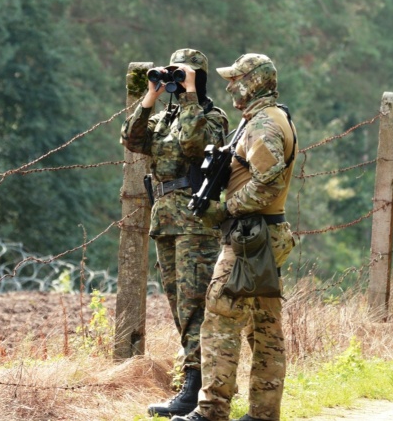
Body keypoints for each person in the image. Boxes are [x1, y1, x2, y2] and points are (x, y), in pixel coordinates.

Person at [172, 53, 298, 421]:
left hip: (250, 236)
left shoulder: (264, 125)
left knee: (219, 319)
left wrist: (225, 209)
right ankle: (263, 414)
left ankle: (211, 411)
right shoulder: (265, 119)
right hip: (263, 234)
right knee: (264, 328)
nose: (230, 87)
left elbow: (266, 184)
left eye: (236, 79)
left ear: (253, 82)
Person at [120, 48, 229, 418]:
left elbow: (193, 145)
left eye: (185, 74)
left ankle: (196, 388)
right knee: (178, 306)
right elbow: (133, 140)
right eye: (176, 75)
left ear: (199, 77)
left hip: (196, 223)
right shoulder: (165, 117)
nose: (177, 82)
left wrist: (190, 94)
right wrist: (150, 95)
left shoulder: (211, 116)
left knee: (194, 305)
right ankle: (193, 384)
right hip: (165, 219)